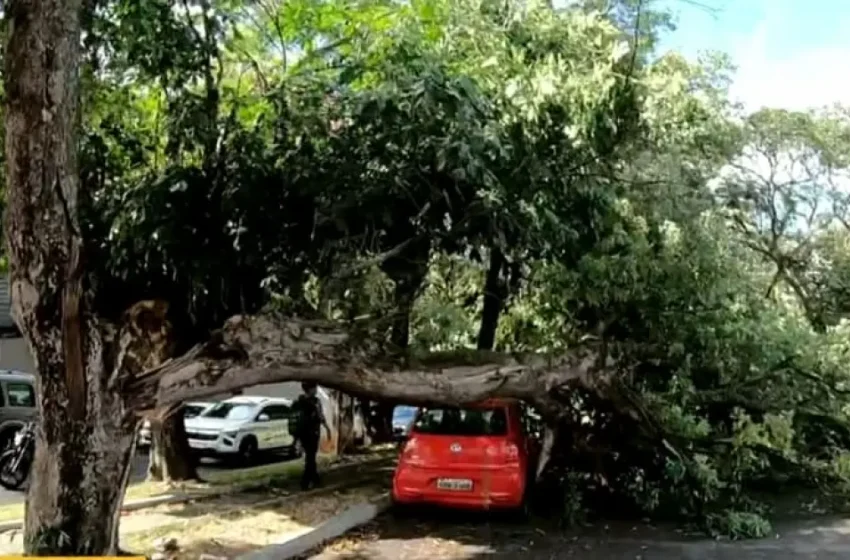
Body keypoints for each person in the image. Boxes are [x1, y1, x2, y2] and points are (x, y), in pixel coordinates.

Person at [293, 381, 331, 490]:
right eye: (314, 388)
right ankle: (305, 482)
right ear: (310, 389)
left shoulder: (299, 401)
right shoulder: (315, 402)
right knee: (310, 457)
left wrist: (296, 437)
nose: (316, 390)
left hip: (302, 433)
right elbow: (320, 416)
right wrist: (327, 428)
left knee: (310, 456)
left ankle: (315, 478)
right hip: (312, 433)